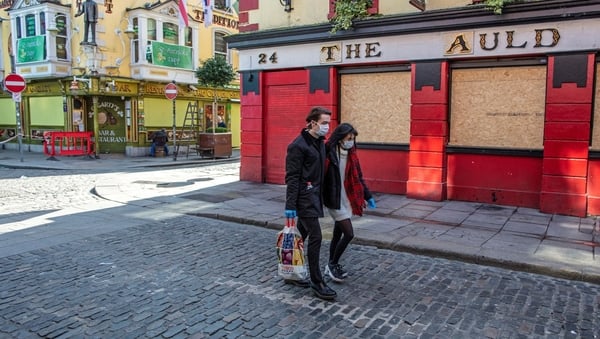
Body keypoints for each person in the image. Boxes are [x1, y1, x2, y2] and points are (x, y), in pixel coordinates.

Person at [284, 106, 337, 301]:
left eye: (328, 123)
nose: (326, 127)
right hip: (304, 199)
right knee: (316, 237)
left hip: (315, 197)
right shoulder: (298, 146)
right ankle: (317, 281)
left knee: (299, 237)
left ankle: (292, 273)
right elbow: (292, 177)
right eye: (324, 123)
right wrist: (290, 206)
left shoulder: (319, 142)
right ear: (313, 123)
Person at [323, 123, 376, 282]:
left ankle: (330, 265)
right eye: (348, 138)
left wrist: (368, 196)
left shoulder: (352, 154)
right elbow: (319, 174)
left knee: (337, 234)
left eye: (353, 138)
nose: (351, 141)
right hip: (333, 198)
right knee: (349, 233)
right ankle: (332, 264)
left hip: (347, 199)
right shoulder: (328, 151)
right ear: (340, 138)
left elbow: (358, 176)